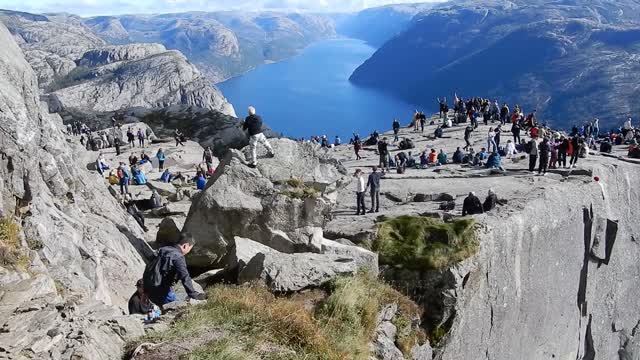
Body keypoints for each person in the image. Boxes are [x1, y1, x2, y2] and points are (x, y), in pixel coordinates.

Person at [143, 233, 206, 307]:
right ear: (185, 246)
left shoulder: (162, 249)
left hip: (149, 290)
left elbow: (149, 267)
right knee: (180, 306)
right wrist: (194, 294)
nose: (188, 252)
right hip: (162, 293)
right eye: (190, 249)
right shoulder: (178, 257)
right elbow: (185, 277)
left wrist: (145, 291)